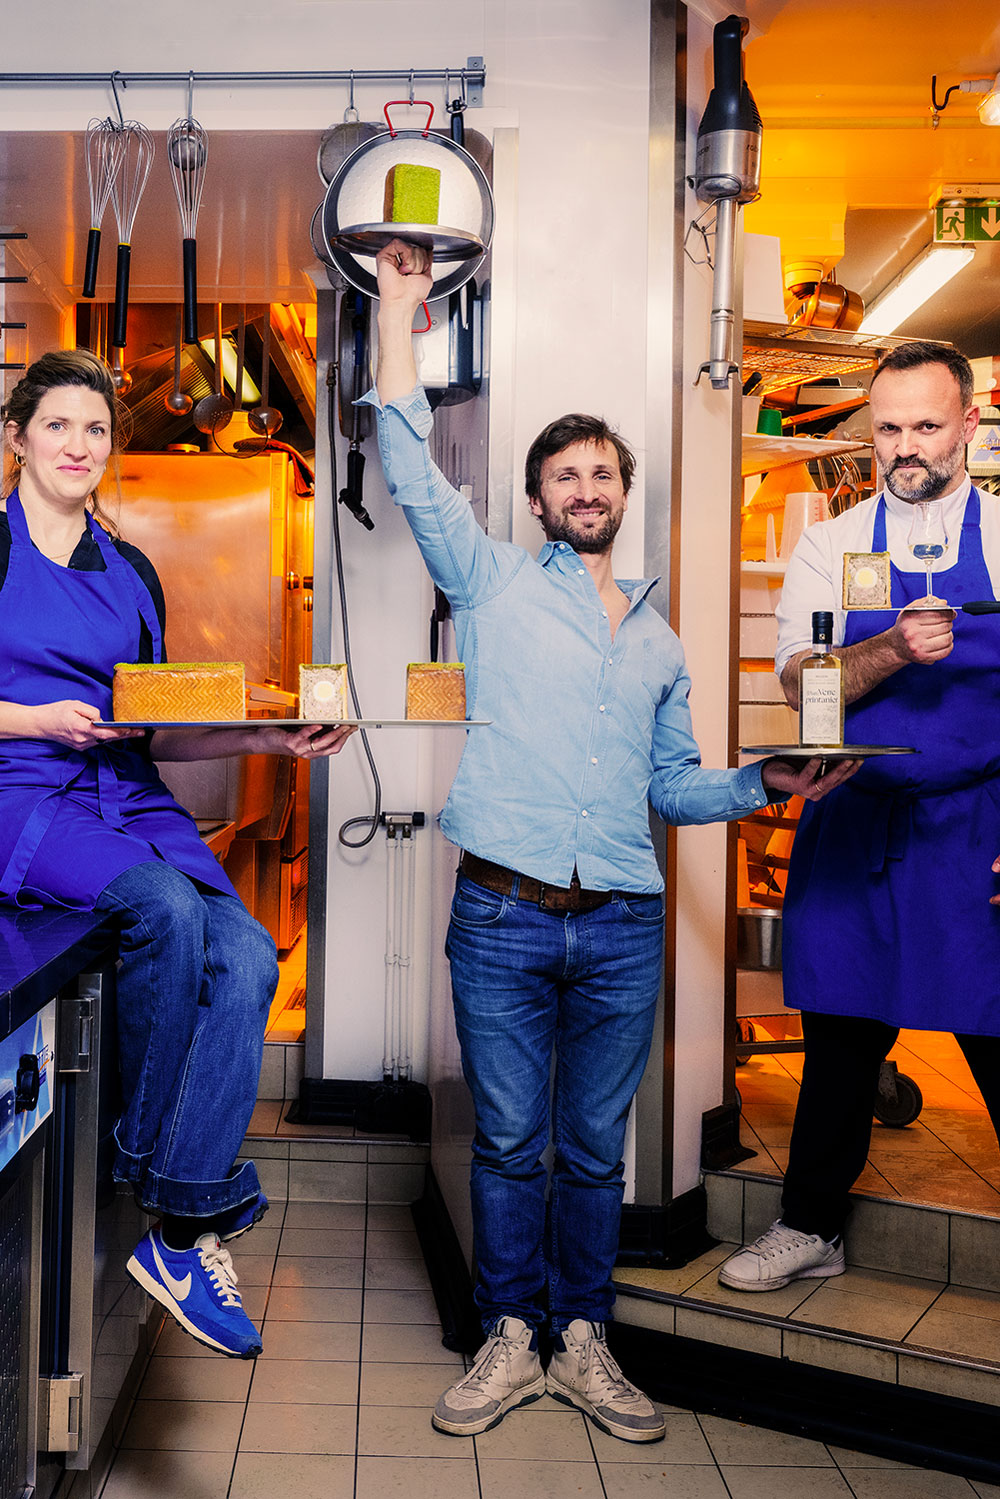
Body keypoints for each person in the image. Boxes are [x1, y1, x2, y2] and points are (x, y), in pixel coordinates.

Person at [365, 239, 856, 1441]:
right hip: (500, 916)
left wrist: (762, 780)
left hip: (622, 927)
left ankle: (582, 1339)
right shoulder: (485, 582)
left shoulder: (658, 638)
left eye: (602, 473)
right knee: (505, 1141)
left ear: (620, 495)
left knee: (591, 1154)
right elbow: (402, 448)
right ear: (535, 500)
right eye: (564, 474)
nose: (586, 488)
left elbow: (673, 787)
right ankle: (506, 1337)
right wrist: (398, 313)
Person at [0, 349, 355, 1358]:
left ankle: (176, 1223)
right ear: (18, 437)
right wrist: (35, 718)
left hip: (127, 796)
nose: (80, 444)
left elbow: (154, 729)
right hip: (24, 790)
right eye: (59, 425)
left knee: (248, 954)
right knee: (164, 903)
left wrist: (261, 735)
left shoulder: (135, 570)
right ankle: (159, 1181)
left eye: (97, 429)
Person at [718, 340, 1000, 1293]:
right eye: (888, 427)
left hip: (977, 823)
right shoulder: (831, 543)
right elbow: (802, 677)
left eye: (927, 424)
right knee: (839, 1025)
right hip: (855, 810)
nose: (906, 445)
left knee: (996, 1026)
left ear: (968, 423)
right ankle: (810, 1224)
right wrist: (889, 648)